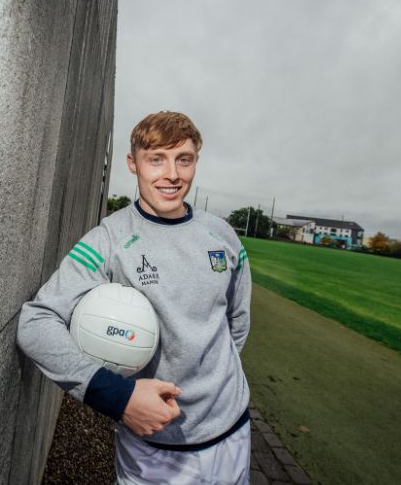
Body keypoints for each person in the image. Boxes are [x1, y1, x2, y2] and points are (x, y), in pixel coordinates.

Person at [17, 111, 252, 484]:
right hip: (156, 449)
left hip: (233, 430)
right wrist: (119, 397)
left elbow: (236, 324)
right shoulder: (108, 240)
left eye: (183, 159)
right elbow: (36, 323)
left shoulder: (224, 237)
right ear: (133, 163)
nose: (172, 174)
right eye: (156, 158)